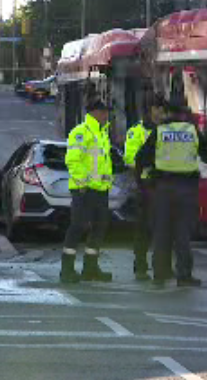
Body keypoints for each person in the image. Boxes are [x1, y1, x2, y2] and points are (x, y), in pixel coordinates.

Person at [135, 97, 207, 287]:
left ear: (168, 113)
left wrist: (144, 184)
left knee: (161, 231)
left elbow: (141, 158)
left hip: (162, 188)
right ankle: (184, 275)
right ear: (183, 114)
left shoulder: (160, 131)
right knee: (183, 233)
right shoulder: (192, 131)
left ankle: (159, 273)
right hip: (187, 189)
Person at [60, 100, 115, 284]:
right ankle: (66, 270)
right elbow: (73, 160)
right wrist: (82, 183)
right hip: (84, 190)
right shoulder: (81, 132)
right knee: (77, 227)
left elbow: (103, 163)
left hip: (100, 190)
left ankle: (90, 269)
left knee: (99, 228)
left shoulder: (102, 133)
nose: (106, 115)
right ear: (94, 113)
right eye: (104, 111)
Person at [123, 93, 168, 281]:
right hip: (146, 185)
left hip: (166, 185)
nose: (160, 113)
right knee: (144, 228)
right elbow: (130, 158)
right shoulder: (137, 131)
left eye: (163, 110)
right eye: (156, 109)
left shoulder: (169, 131)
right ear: (149, 111)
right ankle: (140, 265)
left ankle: (163, 266)